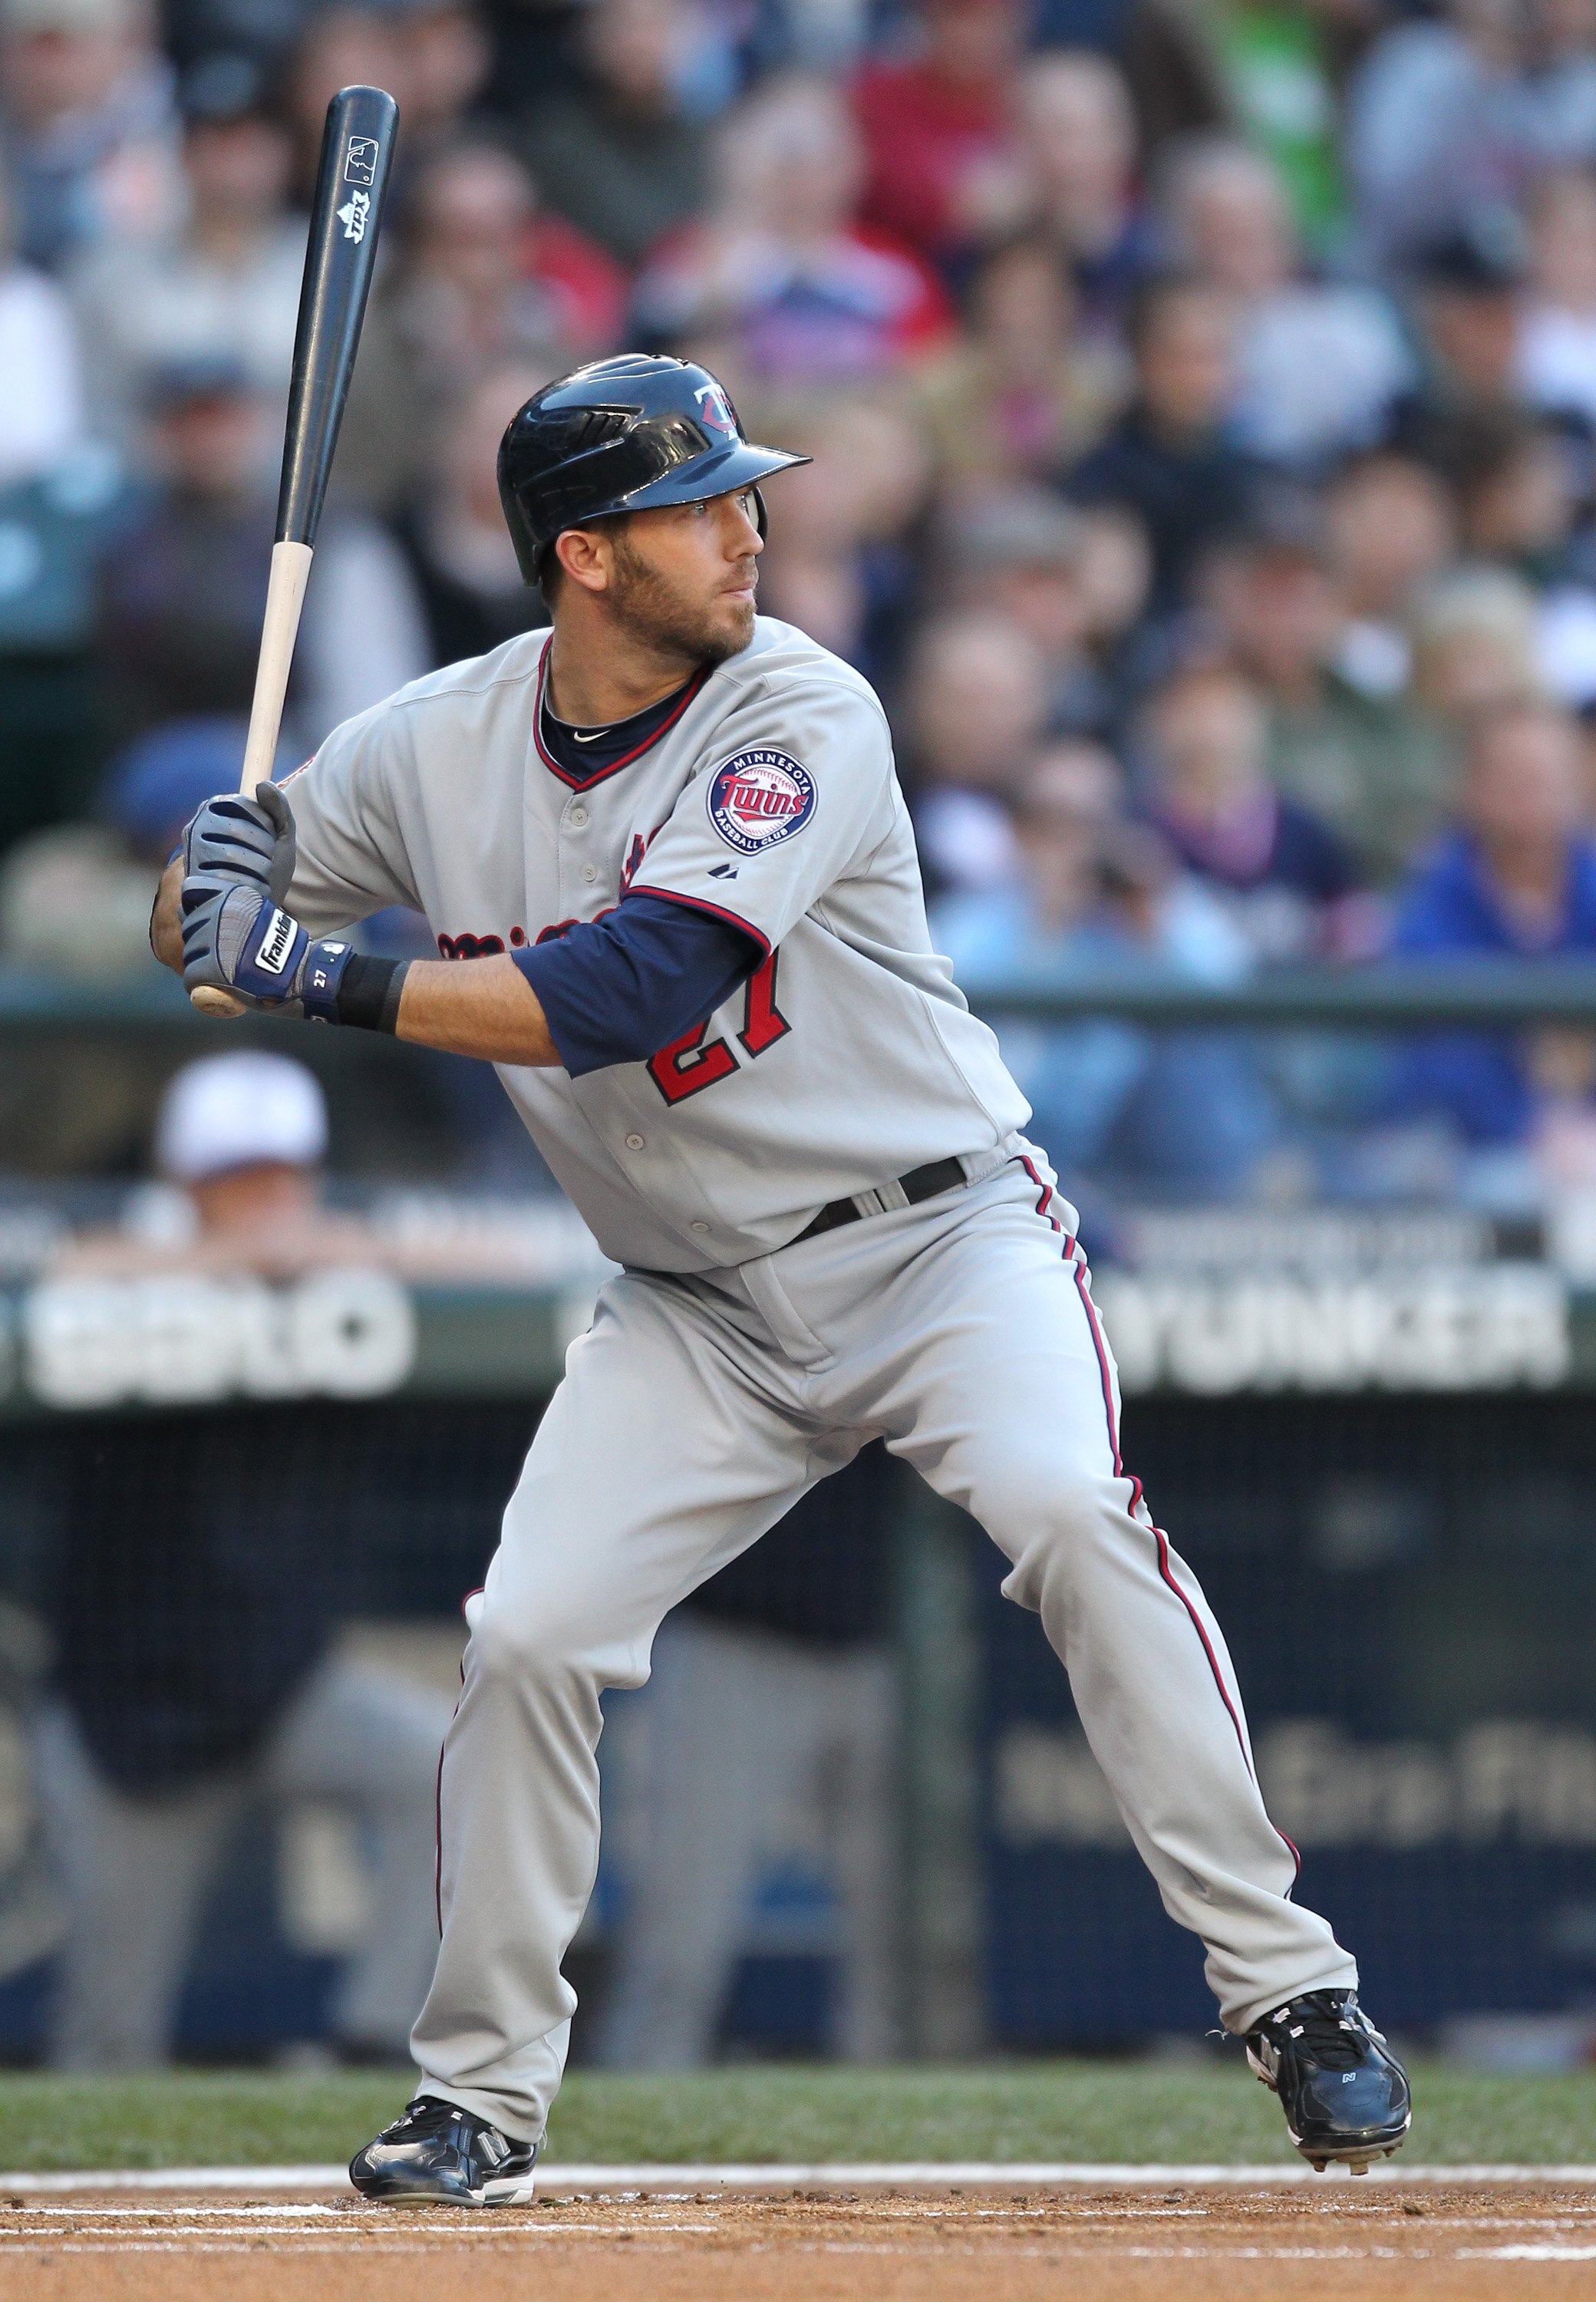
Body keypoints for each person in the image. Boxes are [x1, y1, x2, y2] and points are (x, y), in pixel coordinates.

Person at [151, 351, 1411, 2203]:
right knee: (525, 1638)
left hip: (934, 1238)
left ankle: (1292, 1988)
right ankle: (479, 2091)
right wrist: (218, 875)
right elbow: (204, 927)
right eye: (701, 502)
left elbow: (616, 995)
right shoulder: (433, 744)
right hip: (693, 1303)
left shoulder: (798, 706)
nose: (752, 526)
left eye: (750, 489)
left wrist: (315, 969)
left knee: (1069, 1508)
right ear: (583, 553)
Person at [33, 1050, 454, 2069]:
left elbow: (497, 1258)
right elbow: (63, 1271)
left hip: (284, 1692)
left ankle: (369, 2037)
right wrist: (229, 1263)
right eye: (237, 1179)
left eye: (282, 1176)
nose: (266, 1202)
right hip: (121, 1727)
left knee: (460, 1762)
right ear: (184, 1183)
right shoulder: (118, 1268)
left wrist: (342, 1252)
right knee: (105, 2048)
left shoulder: (343, 1277)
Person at [1388, 698, 1596, 1144]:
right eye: (1513, 779)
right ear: (1472, 788)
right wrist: (1529, 1125)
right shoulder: (1430, 908)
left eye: (1547, 778)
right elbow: (1436, 1062)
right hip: (1478, 1160)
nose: (1532, 797)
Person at [1066, 271, 1256, 615]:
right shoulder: (1097, 481)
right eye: (1188, 357)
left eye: (1217, 356)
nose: (1205, 377)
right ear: (1144, 360)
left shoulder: (1252, 478)